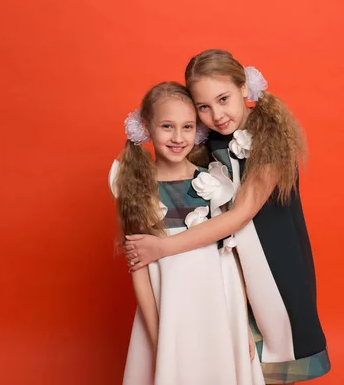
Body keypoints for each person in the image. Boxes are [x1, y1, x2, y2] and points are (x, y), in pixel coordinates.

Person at [125, 50, 330, 383]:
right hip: (229, 269)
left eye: (223, 99)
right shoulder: (206, 143)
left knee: (277, 354)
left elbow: (239, 215)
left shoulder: (269, 138)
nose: (216, 115)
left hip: (275, 265)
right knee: (234, 363)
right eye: (203, 107)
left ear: (244, 88)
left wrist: (162, 249)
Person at [110, 81, 263, 385]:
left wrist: (241, 326)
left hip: (216, 308)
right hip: (168, 313)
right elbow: (138, 268)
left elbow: (229, 257)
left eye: (187, 127)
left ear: (198, 130)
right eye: (167, 126)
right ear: (147, 128)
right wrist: (158, 336)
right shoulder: (136, 188)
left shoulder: (212, 183)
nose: (178, 137)